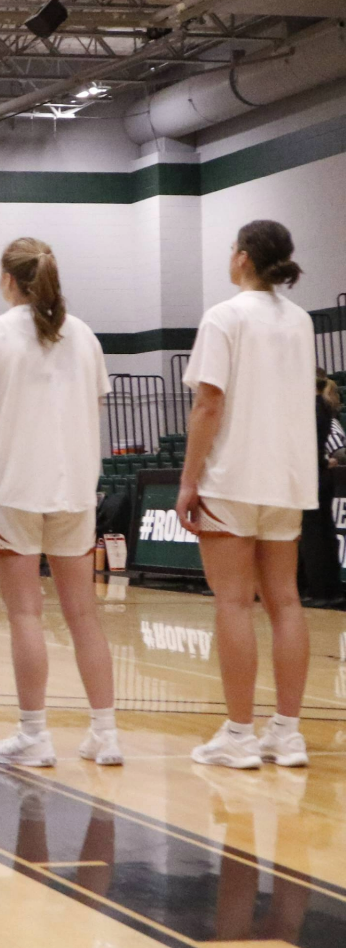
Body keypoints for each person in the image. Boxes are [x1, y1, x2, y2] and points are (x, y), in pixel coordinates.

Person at [0, 238, 121, 768]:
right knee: (84, 616)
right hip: (73, 488)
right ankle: (106, 732)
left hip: (13, 490)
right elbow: (94, 410)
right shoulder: (86, 336)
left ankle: (34, 734)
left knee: (25, 613)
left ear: (8, 279)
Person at [178, 220, 317, 769]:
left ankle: (238, 735)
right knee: (285, 600)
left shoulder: (225, 316)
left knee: (233, 601)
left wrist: (188, 480)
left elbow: (208, 405)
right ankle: (287, 733)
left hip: (234, 474)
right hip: (287, 477)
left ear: (242, 258)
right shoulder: (301, 320)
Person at [299, 373, 342, 607]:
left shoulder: (309, 409)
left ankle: (318, 591)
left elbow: (307, 448)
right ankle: (330, 589)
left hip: (310, 476)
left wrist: (322, 462)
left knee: (313, 536)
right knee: (325, 533)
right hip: (320, 474)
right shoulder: (323, 406)